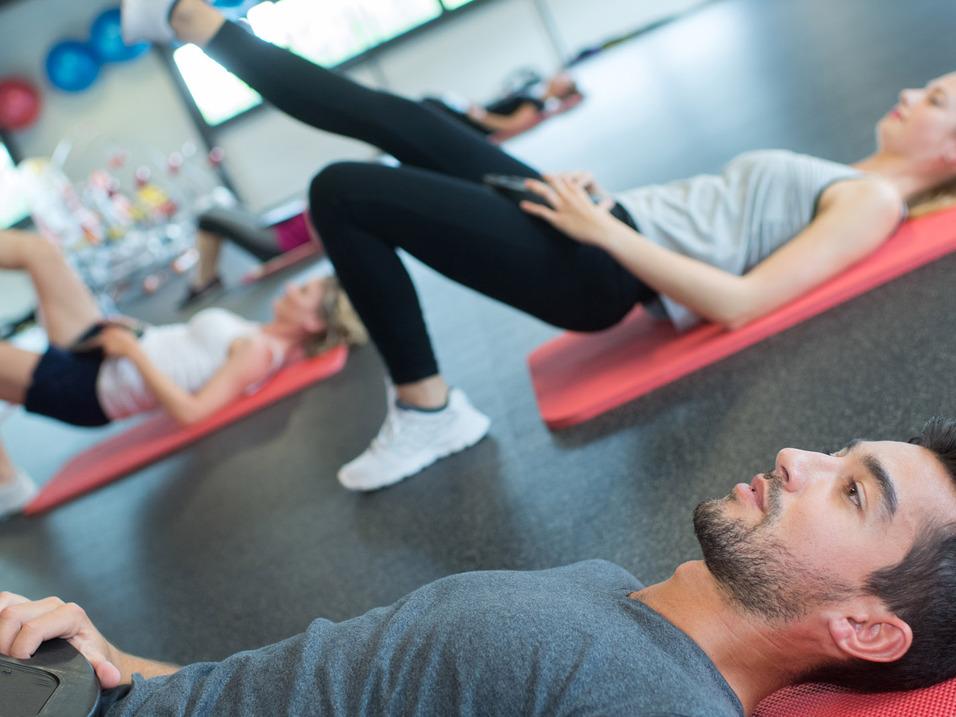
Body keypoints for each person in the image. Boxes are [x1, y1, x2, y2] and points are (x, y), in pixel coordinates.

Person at [123, 0, 956, 491]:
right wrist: (605, 209)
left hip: (599, 269)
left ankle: (429, 410)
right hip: (599, 225)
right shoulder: (852, 174)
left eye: (940, 101)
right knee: (409, 119)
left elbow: (738, 303)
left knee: (344, 189)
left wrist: (600, 228)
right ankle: (190, 18)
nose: (914, 92)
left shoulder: (870, 201)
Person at [4, 418, 956, 715]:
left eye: (852, 494)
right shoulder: (608, 590)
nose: (800, 461)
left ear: (867, 626)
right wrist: (111, 667)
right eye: (840, 454)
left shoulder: (652, 707)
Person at [0, 228, 366, 518]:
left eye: (301, 291)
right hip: (107, 351)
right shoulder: (262, 337)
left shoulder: (258, 352)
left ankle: (9, 486)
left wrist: (133, 354)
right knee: (39, 251)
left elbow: (191, 413)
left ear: (314, 321)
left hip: (89, 387)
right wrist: (134, 337)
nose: (289, 285)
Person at [183, 204, 323, 308]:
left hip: (278, 243)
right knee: (209, 220)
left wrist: (273, 266)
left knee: (208, 218)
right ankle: (205, 280)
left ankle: (203, 282)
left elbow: (318, 246)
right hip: (279, 225)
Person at [421, 71, 581, 137]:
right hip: (474, 114)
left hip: (474, 124)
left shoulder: (536, 104)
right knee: (432, 103)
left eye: (562, 79)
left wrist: (480, 117)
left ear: (562, 90)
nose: (557, 76)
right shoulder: (533, 91)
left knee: (430, 104)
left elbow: (511, 125)